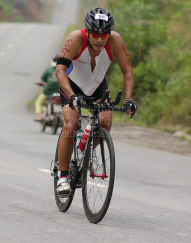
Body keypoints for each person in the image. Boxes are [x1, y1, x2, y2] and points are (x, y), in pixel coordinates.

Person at [55, 7, 134, 195]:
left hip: (97, 86)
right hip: (72, 86)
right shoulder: (75, 38)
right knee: (71, 124)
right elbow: (59, 70)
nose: (100, 39)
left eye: (104, 35)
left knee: (105, 123)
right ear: (87, 31)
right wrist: (72, 96)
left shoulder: (115, 40)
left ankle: (84, 151)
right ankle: (63, 176)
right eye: (96, 34)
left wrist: (129, 99)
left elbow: (127, 71)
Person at [34, 54, 60, 122]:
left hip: (48, 91)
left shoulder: (48, 70)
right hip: (59, 92)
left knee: (38, 102)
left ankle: (39, 116)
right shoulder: (63, 70)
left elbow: (43, 78)